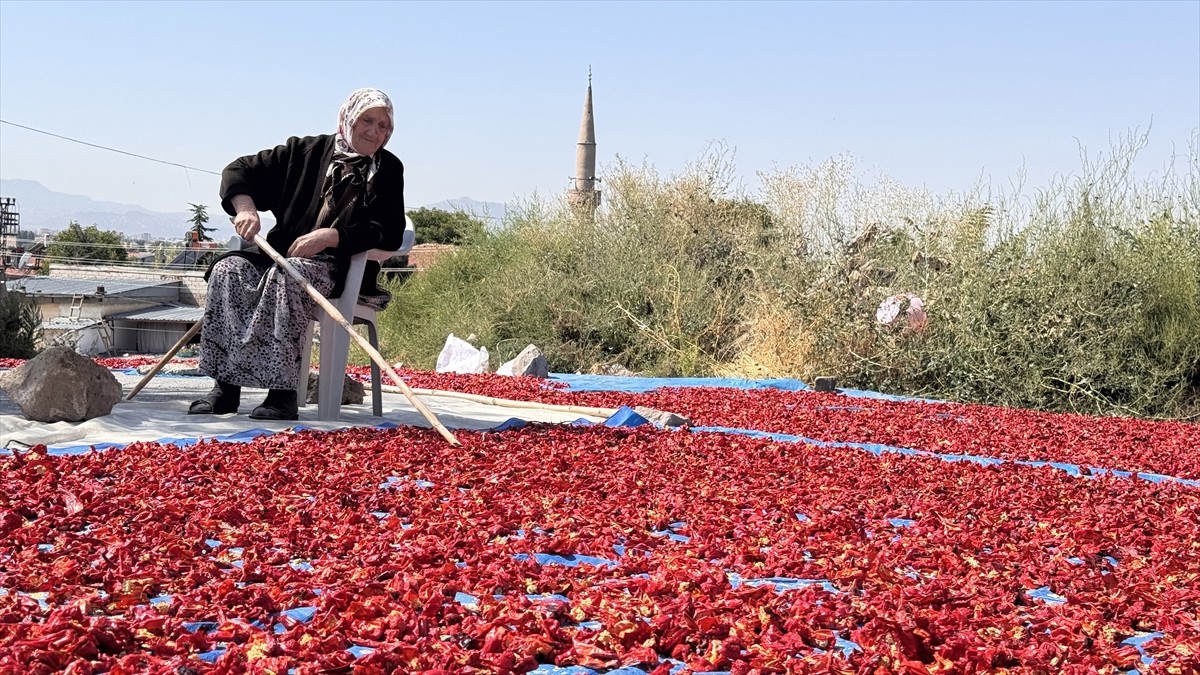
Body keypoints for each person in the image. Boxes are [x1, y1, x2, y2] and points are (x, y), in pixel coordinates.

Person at [189, 88, 405, 420]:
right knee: (228, 270)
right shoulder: (304, 152)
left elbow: (389, 231)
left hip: (339, 268)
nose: (375, 132)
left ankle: (282, 394)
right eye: (367, 121)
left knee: (290, 274)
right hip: (279, 256)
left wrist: (331, 236)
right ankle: (225, 389)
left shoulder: (387, 169)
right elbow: (238, 170)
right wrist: (245, 208)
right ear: (348, 117)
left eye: (384, 126)